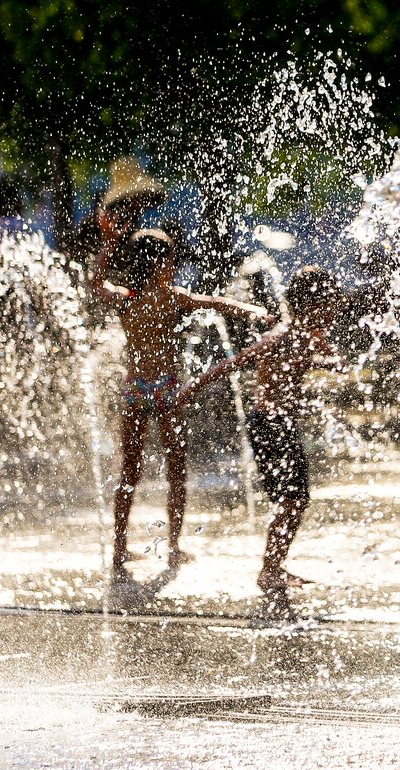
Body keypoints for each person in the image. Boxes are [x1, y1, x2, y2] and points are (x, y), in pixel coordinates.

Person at [90, 218, 271, 579]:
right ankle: (172, 546)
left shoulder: (128, 299)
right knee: (176, 468)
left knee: (130, 470)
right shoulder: (171, 296)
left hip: (135, 389)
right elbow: (216, 303)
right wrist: (251, 310)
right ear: (158, 265)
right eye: (169, 260)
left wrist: (110, 243)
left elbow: (96, 283)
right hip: (167, 389)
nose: (173, 266)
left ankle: (119, 548)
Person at [175, 267, 342, 593]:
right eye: (330, 305)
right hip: (270, 424)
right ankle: (269, 570)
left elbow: (339, 363)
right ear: (314, 305)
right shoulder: (283, 335)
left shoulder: (303, 335)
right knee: (292, 500)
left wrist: (319, 346)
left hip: (279, 424)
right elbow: (234, 362)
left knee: (293, 500)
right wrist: (190, 389)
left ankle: (273, 567)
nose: (334, 312)